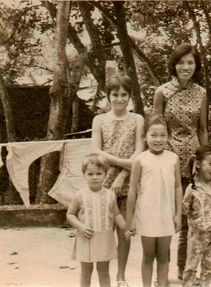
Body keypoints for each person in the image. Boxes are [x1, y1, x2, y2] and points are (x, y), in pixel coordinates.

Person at [153, 43, 208, 279]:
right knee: (163, 217)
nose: (186, 67)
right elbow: (155, 128)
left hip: (194, 162)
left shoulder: (201, 92)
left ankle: (185, 269)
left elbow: (203, 129)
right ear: (173, 66)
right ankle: (160, 271)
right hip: (167, 160)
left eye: (191, 62)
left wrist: (205, 160)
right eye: (181, 62)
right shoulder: (162, 91)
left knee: (190, 220)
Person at [91, 75, 144, 287]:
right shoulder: (99, 120)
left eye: (124, 94)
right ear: (108, 96)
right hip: (103, 184)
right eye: (115, 94)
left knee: (125, 232)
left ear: (129, 96)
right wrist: (125, 163)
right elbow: (96, 151)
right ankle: (104, 278)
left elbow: (139, 153)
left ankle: (121, 276)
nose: (119, 99)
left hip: (127, 185)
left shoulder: (137, 119)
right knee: (103, 233)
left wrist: (123, 174)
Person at [125, 115, 183, 287]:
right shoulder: (140, 160)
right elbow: (133, 190)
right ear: (145, 137)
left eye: (162, 135)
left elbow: (178, 187)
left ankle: (162, 284)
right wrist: (130, 219)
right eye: (153, 135)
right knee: (148, 255)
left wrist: (178, 214)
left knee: (164, 256)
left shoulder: (173, 158)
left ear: (168, 136)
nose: (158, 139)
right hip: (147, 214)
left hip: (166, 214)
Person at [67, 153, 132, 287]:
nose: (95, 177)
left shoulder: (110, 195)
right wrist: (80, 227)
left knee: (103, 272)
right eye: (90, 174)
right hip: (86, 237)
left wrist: (126, 227)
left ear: (105, 174)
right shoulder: (79, 195)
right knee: (86, 272)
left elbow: (117, 214)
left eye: (99, 173)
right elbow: (70, 214)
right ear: (84, 174)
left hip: (104, 239)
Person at [182, 145, 211, 287]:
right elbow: (184, 209)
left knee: (210, 265)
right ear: (198, 165)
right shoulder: (192, 189)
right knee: (192, 265)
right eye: (210, 164)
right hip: (197, 235)